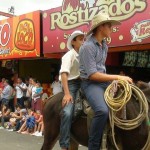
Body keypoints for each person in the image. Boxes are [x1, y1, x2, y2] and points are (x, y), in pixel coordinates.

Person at [79, 13, 133, 150]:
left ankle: (115, 137)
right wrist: (118, 77)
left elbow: (101, 71)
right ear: (100, 27)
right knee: (102, 110)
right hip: (90, 83)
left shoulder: (104, 45)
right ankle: (94, 145)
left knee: (126, 101)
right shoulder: (87, 47)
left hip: (102, 82)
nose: (111, 28)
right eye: (109, 26)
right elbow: (93, 75)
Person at [59, 30, 84, 150]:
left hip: (83, 83)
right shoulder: (68, 55)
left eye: (84, 39)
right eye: (80, 39)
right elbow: (64, 74)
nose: (83, 42)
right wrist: (67, 93)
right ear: (73, 42)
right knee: (67, 112)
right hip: (71, 84)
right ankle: (64, 144)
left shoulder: (84, 55)